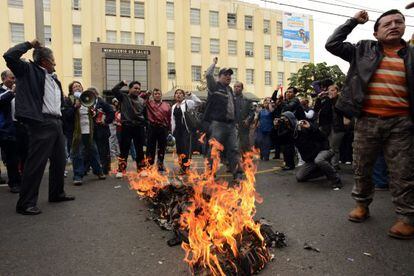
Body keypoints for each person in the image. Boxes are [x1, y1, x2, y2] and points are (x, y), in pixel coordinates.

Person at [326, 9, 414, 239]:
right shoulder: (362, 50)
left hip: (402, 124)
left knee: (403, 171)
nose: (394, 25)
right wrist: (354, 21)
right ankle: (362, 205)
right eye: (387, 23)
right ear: (376, 33)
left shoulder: (411, 54)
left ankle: (406, 218)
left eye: (399, 22)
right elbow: (332, 44)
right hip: (366, 121)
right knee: (362, 167)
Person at [4, 39, 75, 215]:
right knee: (36, 164)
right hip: (41, 122)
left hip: (56, 123)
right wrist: (29, 44)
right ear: (44, 61)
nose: (55, 64)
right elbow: (9, 56)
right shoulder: (28, 71)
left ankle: (57, 193)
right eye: (53, 60)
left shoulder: (54, 79)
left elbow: (58, 103)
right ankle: (26, 203)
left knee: (60, 161)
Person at [276, 112, 342, 190]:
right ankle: (325, 170)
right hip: (311, 159)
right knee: (300, 177)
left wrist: (310, 127)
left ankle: (336, 181)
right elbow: (279, 141)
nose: (285, 121)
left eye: (286, 119)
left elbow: (322, 136)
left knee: (319, 160)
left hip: (324, 150)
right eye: (283, 120)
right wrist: (277, 127)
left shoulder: (303, 126)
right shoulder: (291, 132)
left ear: (291, 119)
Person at [203, 57, 242, 181]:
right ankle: (210, 175)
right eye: (225, 74)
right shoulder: (214, 86)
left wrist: (235, 122)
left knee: (234, 150)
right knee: (214, 150)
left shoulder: (230, 90)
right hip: (217, 125)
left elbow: (232, 108)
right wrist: (214, 63)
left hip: (231, 126)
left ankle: (238, 175)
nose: (228, 77)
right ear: (219, 76)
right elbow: (208, 75)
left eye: (230, 75)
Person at [112, 80, 147, 178]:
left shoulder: (142, 100)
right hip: (126, 126)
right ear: (130, 89)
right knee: (124, 149)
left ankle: (141, 169)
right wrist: (122, 83)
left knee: (139, 149)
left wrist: (144, 125)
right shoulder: (123, 97)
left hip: (139, 127)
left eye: (139, 89)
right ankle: (121, 170)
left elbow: (144, 115)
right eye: (135, 88)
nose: (137, 90)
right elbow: (114, 90)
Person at [171, 89, 201, 174]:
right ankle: (182, 167)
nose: (178, 95)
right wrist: (172, 131)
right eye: (176, 93)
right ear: (174, 96)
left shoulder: (187, 103)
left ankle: (186, 168)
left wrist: (191, 95)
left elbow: (198, 102)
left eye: (180, 93)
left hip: (186, 130)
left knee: (186, 150)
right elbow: (172, 120)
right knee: (179, 150)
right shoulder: (173, 106)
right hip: (177, 131)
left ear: (183, 96)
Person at [0, 69, 21, 193]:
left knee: (12, 158)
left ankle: (14, 182)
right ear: (3, 79)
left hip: (14, 127)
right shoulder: (4, 91)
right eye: (11, 78)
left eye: (14, 78)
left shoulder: (18, 91)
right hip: (2, 127)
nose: (14, 80)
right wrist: (11, 92)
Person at [144, 88, 171, 172]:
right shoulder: (149, 103)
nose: (157, 95)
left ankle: (160, 164)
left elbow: (169, 118)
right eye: (155, 94)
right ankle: (149, 165)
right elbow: (141, 98)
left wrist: (169, 129)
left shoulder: (167, 105)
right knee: (150, 148)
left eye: (159, 93)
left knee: (162, 147)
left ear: (161, 95)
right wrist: (146, 94)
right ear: (153, 95)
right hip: (152, 127)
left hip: (163, 128)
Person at [90, 87, 115, 175]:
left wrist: (106, 121)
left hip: (102, 130)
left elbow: (111, 113)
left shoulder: (103, 103)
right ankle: (94, 168)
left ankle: (105, 169)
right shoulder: (88, 103)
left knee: (104, 150)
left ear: (96, 94)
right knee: (92, 150)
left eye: (93, 93)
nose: (91, 95)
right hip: (91, 130)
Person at [234, 81, 254, 155]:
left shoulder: (247, 100)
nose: (236, 88)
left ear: (242, 88)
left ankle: (246, 161)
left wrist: (248, 120)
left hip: (244, 126)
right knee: (233, 145)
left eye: (238, 86)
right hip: (233, 126)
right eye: (235, 86)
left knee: (245, 144)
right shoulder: (230, 100)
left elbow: (252, 112)